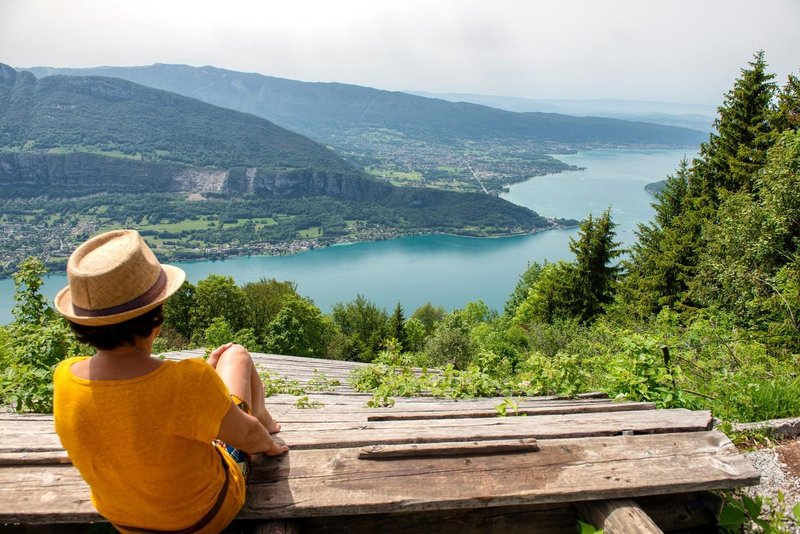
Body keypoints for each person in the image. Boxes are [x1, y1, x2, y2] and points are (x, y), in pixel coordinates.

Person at [52, 229, 288, 533]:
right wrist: (268, 446)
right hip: (205, 515)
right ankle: (266, 419)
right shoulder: (188, 381)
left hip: (125, 519)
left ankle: (262, 416)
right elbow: (247, 438)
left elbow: (133, 416)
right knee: (236, 355)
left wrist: (198, 386)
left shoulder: (65, 377)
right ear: (157, 317)